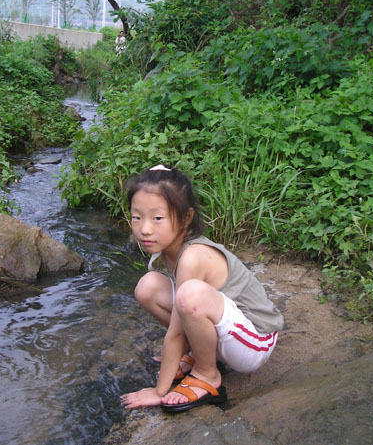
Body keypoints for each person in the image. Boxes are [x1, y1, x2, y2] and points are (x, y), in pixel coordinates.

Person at [120, 165, 284, 413]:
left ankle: (208, 375)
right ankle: (200, 353)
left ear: (186, 218)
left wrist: (158, 391)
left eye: (157, 218)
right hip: (227, 329)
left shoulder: (193, 256)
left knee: (189, 295)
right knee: (148, 286)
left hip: (256, 340)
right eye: (137, 216)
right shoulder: (169, 247)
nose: (145, 229)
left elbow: (176, 330)